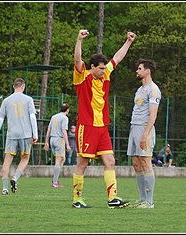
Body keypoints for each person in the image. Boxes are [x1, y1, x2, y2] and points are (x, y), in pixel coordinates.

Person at [71, 29, 135, 209]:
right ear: (92, 67)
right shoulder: (82, 76)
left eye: (103, 68)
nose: (103, 71)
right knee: (82, 163)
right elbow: (77, 59)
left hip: (102, 128)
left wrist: (128, 41)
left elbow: (118, 58)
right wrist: (79, 40)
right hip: (87, 126)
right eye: (100, 68)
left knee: (110, 161)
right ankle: (77, 200)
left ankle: (112, 198)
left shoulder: (105, 74)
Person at [127, 58, 161, 209]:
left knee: (146, 162)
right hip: (134, 127)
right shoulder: (140, 90)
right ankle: (142, 199)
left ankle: (150, 202)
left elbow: (153, 115)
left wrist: (145, 134)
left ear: (147, 71)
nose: (137, 71)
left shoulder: (153, 89)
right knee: (136, 163)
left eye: (140, 69)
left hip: (143, 129)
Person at [0, 78, 38, 195]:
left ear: (13, 86)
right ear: (23, 87)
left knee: (7, 160)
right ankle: (15, 177)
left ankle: (4, 188)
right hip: (25, 134)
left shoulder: (6, 100)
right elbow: (32, 117)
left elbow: (0, 119)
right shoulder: (28, 99)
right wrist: (35, 134)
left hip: (12, 134)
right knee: (24, 158)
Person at [44, 103, 71, 187]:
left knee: (62, 159)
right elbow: (64, 131)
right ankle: (55, 182)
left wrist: (46, 142)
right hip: (59, 140)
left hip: (52, 139)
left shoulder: (54, 116)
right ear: (67, 110)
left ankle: (55, 178)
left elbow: (49, 130)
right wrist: (67, 144)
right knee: (58, 161)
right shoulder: (65, 118)